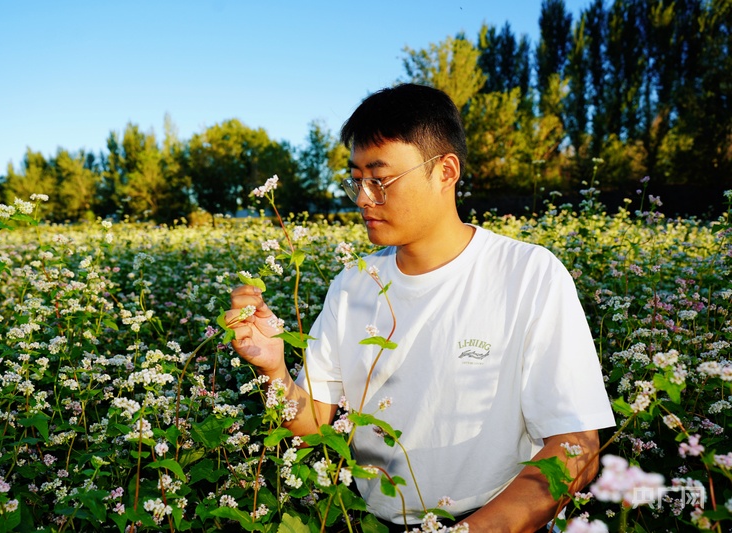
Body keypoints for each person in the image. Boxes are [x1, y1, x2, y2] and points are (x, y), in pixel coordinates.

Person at [226, 83, 616, 532]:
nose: (363, 200)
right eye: (356, 180)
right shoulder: (354, 284)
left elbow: (576, 448)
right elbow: (314, 421)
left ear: (445, 170)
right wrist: (273, 369)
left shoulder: (528, 274)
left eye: (380, 179)